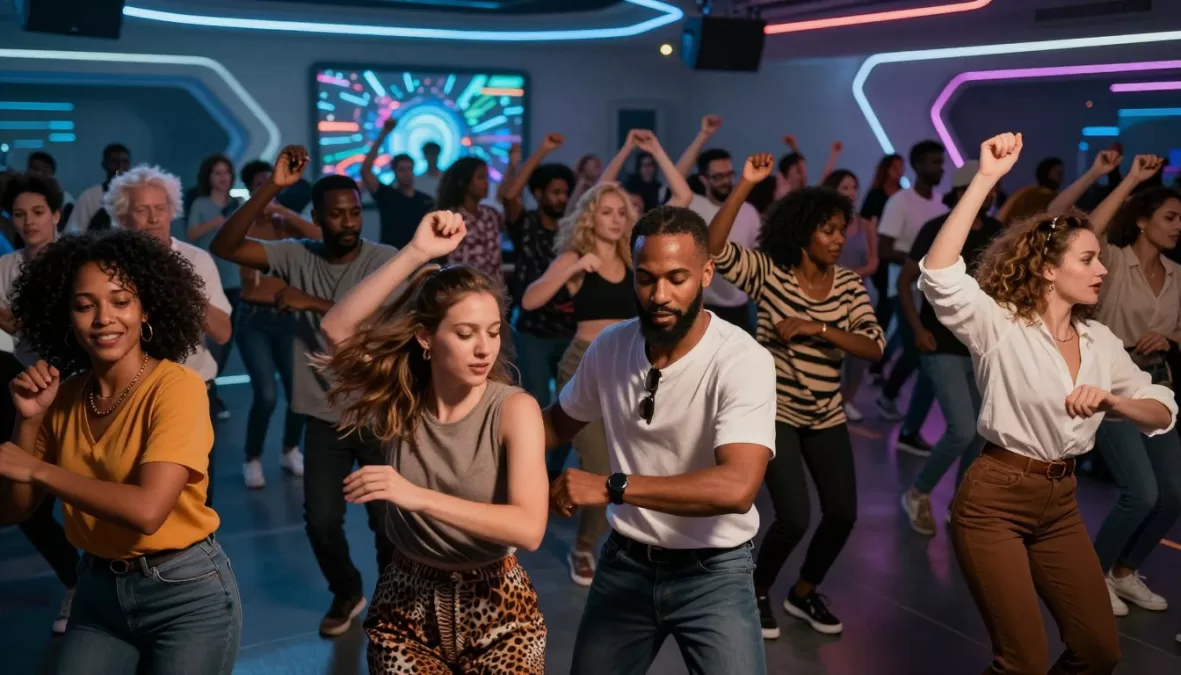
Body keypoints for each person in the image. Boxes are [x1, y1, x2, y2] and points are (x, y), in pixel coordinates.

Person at [920, 132, 1176, 675]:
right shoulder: (1000, 326)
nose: (1102, 270)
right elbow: (939, 275)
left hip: (1061, 503)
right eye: (1088, 259)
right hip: (994, 499)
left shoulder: (1100, 343)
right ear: (1048, 269)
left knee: (1099, 651)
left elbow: (1163, 408)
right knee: (1023, 662)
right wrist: (985, 179)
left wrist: (1114, 401)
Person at [546, 205, 776, 675]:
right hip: (626, 562)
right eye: (646, 279)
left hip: (714, 572)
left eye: (677, 278)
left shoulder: (741, 359)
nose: (660, 295)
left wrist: (612, 486)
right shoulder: (611, 346)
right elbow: (553, 426)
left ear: (706, 274)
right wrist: (471, 418)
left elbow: (737, 487)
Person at [0, 229, 242, 674]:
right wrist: (28, 420)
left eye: (121, 301)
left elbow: (148, 510)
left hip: (184, 593)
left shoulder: (177, 387)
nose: (103, 319)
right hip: (97, 591)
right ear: (66, 316)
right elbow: (12, 511)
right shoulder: (63, 397)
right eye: (84, 305)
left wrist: (38, 470)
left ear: (145, 308)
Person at [317, 211, 548, 674]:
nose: (484, 349)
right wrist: (418, 252)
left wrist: (415, 497)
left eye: (493, 332)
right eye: (465, 334)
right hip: (406, 603)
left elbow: (529, 528)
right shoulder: (400, 399)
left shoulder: (513, 409)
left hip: (499, 608)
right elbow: (336, 327)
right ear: (426, 337)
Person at [211, 145, 398, 637]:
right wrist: (272, 188)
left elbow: (378, 325)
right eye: (336, 214)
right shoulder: (297, 255)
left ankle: (392, 603)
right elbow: (226, 245)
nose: (348, 222)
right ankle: (347, 592)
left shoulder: (385, 261)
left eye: (354, 212)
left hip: (378, 414)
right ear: (316, 218)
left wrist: (311, 302)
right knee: (320, 521)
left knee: (387, 524)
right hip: (323, 413)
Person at [708, 154, 884, 637]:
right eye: (828, 230)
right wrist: (746, 184)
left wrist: (818, 327)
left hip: (826, 416)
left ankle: (804, 592)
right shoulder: (770, 273)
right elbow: (714, 247)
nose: (839, 239)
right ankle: (757, 589)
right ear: (804, 232)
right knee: (793, 517)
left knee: (842, 514)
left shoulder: (848, 285)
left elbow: (873, 346)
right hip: (777, 414)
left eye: (841, 230)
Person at [1049, 154, 1179, 616]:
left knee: (1174, 494)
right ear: (1142, 221)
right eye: (1170, 217)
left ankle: (1123, 572)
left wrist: (1170, 338)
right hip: (1108, 387)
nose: (1179, 226)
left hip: (1155, 385)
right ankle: (1093, 577)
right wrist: (1131, 179)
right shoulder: (1112, 262)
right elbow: (1077, 227)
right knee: (1141, 493)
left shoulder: (1177, 274)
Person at [104, 165, 233, 505]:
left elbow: (222, 333)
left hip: (192, 390)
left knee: (196, 497)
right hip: (130, 394)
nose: (153, 218)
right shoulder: (108, 266)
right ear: (123, 217)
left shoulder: (196, 260)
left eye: (160, 208)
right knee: (134, 492)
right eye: (142, 209)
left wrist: (179, 281)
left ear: (172, 211)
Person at [896, 160, 1001, 535]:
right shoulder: (936, 228)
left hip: (979, 345)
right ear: (961, 192)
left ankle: (961, 502)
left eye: (994, 188)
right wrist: (917, 328)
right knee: (962, 429)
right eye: (985, 187)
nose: (992, 194)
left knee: (982, 430)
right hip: (940, 343)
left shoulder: (997, 231)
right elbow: (905, 281)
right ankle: (918, 492)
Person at [0, 173, 80, 635]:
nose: (28, 222)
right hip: (28, 386)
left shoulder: (77, 260)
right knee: (26, 493)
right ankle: (74, 578)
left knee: (85, 485)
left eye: (37, 212)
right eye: (19, 214)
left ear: (55, 214)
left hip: (78, 381)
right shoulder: (6, 267)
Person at [233, 160, 311, 489]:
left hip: (286, 317)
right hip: (253, 318)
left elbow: (322, 238)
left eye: (274, 184)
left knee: (299, 393)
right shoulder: (244, 222)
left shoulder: (285, 224)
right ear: (251, 189)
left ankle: (290, 449)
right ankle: (252, 458)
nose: (269, 190)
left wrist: (285, 212)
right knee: (266, 394)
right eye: (262, 185)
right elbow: (229, 245)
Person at [496, 134, 576, 430]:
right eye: (555, 192)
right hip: (533, 331)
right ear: (539, 194)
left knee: (572, 405)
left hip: (568, 329)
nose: (562, 198)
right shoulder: (526, 223)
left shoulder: (571, 229)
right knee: (537, 402)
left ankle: (559, 457)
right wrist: (542, 150)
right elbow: (509, 196)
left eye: (565, 193)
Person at [874, 140, 947, 453]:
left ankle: (889, 394)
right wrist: (919, 262)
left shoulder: (942, 206)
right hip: (902, 288)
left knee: (916, 350)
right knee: (917, 352)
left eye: (941, 162)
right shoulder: (900, 202)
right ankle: (889, 395)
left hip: (932, 293)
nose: (940, 168)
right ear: (917, 165)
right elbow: (885, 248)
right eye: (933, 162)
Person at [823, 169, 879, 422]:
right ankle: (829, 402)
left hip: (859, 299)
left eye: (853, 187)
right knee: (831, 354)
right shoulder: (821, 223)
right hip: (828, 296)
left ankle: (846, 400)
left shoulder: (864, 224)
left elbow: (874, 261)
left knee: (860, 357)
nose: (850, 192)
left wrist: (854, 274)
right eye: (844, 187)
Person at [361, 118, 435, 249]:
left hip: (418, 255)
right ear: (394, 172)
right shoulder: (387, 195)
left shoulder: (425, 200)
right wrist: (383, 134)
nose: (407, 174)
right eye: (402, 170)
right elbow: (366, 171)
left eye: (410, 169)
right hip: (391, 255)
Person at [435, 157, 504, 290]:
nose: (486, 183)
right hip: (462, 290)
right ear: (465, 182)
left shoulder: (491, 214)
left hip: (494, 291)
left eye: (487, 177)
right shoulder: (450, 218)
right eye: (480, 177)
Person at [65, 143, 131, 233]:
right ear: (104, 165)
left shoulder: (138, 195)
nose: (120, 167)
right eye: (114, 162)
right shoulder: (89, 197)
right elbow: (73, 233)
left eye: (124, 162)